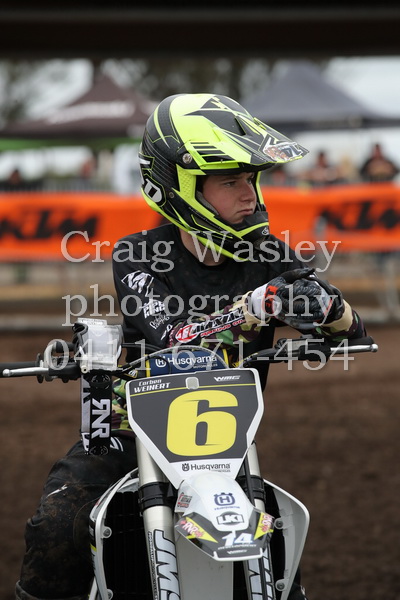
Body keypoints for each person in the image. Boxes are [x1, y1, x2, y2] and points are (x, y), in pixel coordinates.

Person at [17, 93, 366, 600]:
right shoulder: (139, 254)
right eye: (230, 182)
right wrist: (254, 307)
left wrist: (332, 309)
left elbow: (350, 335)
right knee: (57, 523)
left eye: (251, 180)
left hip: (224, 443)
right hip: (131, 435)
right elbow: (175, 337)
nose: (249, 195)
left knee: (276, 552)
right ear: (180, 187)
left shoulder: (270, 255)